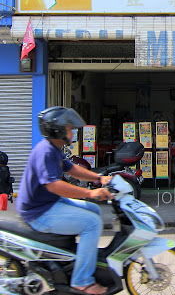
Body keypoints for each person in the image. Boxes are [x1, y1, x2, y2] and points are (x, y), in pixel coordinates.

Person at [16, 106, 113, 295]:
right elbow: (53, 185)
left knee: (94, 211)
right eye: (69, 128)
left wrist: (98, 178)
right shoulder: (46, 152)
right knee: (92, 223)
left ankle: (75, 259)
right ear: (57, 131)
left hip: (49, 204)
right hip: (39, 212)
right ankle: (82, 281)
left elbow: (72, 169)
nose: (73, 131)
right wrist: (91, 193)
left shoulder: (55, 148)